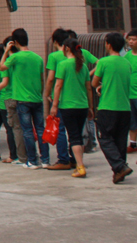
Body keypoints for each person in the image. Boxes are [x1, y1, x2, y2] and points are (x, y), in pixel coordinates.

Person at [0, 28, 49, 169]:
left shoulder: (15, 57)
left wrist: (6, 51)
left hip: (22, 100)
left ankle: (33, 161)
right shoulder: (38, 58)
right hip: (37, 99)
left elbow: (2, 67)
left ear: (14, 42)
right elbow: (41, 80)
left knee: (27, 131)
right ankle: (45, 160)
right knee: (40, 130)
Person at [93, 32, 134, 183]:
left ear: (109, 45)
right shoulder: (126, 63)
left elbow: (94, 82)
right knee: (120, 140)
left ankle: (119, 166)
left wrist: (101, 86)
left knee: (105, 138)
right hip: (125, 107)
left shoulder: (104, 62)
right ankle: (119, 171)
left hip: (108, 106)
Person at [50, 37, 93, 178]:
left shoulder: (63, 65)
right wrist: (91, 107)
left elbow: (58, 86)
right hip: (82, 106)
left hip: (68, 106)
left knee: (73, 137)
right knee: (78, 136)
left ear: (67, 49)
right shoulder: (84, 66)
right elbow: (89, 88)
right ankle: (77, 163)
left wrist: (54, 105)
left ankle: (80, 166)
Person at [0, 37, 26, 165]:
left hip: (6, 100)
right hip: (21, 97)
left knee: (11, 129)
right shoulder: (24, 59)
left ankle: (14, 155)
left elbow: (1, 83)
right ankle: (26, 155)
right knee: (22, 129)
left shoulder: (6, 64)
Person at [44, 29, 76, 170]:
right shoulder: (77, 55)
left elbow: (51, 79)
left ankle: (63, 160)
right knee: (75, 132)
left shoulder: (54, 56)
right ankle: (75, 159)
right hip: (77, 98)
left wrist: (47, 94)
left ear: (55, 42)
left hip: (61, 98)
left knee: (61, 129)